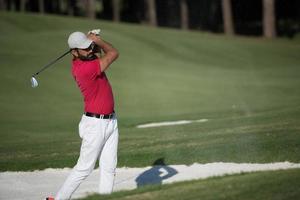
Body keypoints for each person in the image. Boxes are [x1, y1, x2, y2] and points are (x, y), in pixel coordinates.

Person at [47, 31, 119, 200]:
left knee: (109, 167)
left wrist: (91, 40)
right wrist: (99, 41)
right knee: (84, 168)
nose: (89, 50)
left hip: (110, 121)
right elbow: (113, 53)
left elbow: (98, 54)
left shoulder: (87, 58)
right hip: (95, 125)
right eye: (85, 49)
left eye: (89, 47)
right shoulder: (84, 69)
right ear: (74, 52)